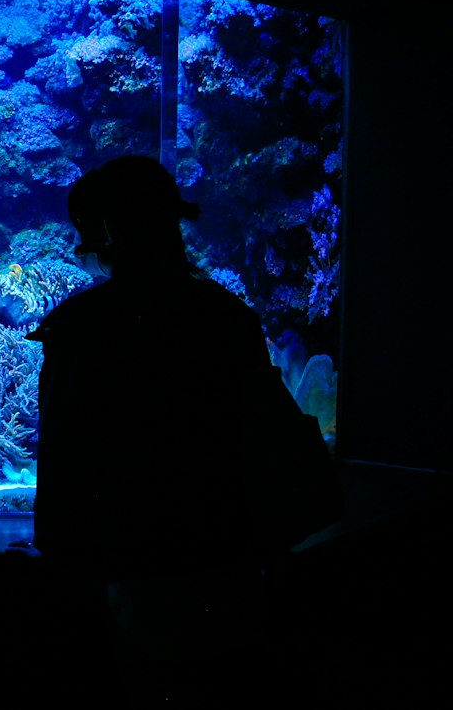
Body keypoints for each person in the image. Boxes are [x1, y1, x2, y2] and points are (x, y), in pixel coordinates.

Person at [28, 155, 318, 706]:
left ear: (106, 229)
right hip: (234, 574)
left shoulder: (81, 326)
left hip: (138, 582)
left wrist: (57, 557)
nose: (80, 246)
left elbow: (64, 459)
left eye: (85, 230)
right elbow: (270, 438)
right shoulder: (228, 316)